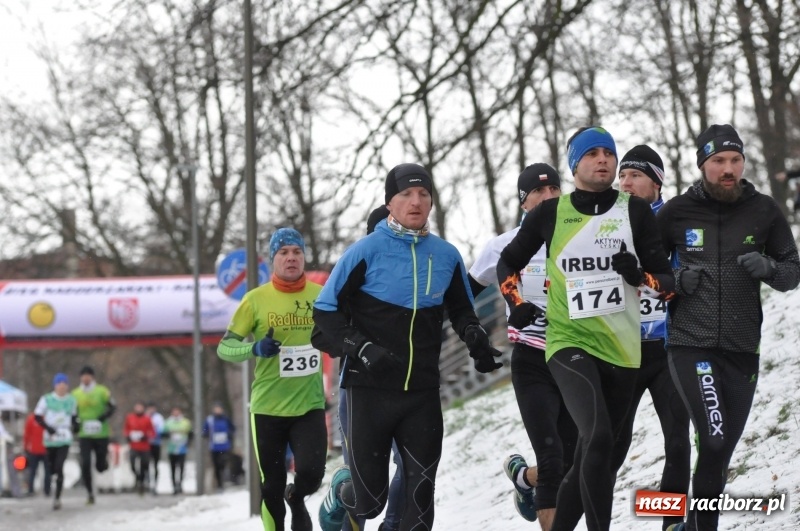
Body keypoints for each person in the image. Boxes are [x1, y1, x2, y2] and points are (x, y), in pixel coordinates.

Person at [496, 126, 675, 531]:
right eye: (592, 153)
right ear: (575, 163)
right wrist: (516, 303)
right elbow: (508, 263)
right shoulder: (549, 214)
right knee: (594, 436)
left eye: (608, 153)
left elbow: (666, 284)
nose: (603, 160)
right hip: (568, 343)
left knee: (601, 449)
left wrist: (639, 275)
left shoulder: (634, 211)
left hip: (621, 348)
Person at [314, 163, 503, 531]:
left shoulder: (446, 255)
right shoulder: (365, 251)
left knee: (419, 505)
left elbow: (463, 309)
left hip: (422, 394)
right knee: (369, 503)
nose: (416, 201)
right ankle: (341, 491)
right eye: (406, 194)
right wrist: (363, 348)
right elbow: (325, 312)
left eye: (424, 194)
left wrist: (475, 339)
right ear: (389, 202)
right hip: (368, 391)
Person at [656, 124, 800, 531]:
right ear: (703, 164)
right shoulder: (677, 212)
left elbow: (793, 273)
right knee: (713, 439)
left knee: (718, 456)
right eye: (718, 161)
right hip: (690, 344)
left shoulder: (765, 210)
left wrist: (770, 268)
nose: (728, 168)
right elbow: (647, 275)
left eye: (735, 160)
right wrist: (675, 281)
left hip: (742, 351)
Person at [468, 163, 577, 530]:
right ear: (524, 202)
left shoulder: (580, 235)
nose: (548, 198)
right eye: (539, 193)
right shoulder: (502, 245)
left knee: (572, 461)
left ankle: (522, 478)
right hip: (532, 360)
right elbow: (465, 292)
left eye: (554, 191)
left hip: (577, 357)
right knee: (552, 461)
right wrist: (471, 332)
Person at [217, 227, 327, 531]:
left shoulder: (322, 296)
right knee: (271, 485)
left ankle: (298, 497)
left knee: (312, 474)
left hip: (309, 405)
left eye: (296, 252)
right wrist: (255, 348)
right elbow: (225, 348)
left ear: (304, 257)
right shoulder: (255, 300)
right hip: (267, 408)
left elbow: (344, 330)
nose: (291, 258)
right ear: (273, 259)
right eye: (283, 252)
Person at [611, 145, 691, 531]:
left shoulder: (674, 221)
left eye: (636, 175)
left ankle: (671, 522)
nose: (625, 182)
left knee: (677, 440)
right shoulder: (604, 223)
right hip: (620, 350)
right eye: (622, 175)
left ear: (657, 183)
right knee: (608, 449)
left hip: (667, 347)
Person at [327, 203, 406, 531]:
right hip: (359, 390)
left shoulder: (414, 275)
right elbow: (328, 331)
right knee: (364, 480)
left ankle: (391, 526)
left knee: (409, 466)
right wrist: (360, 345)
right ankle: (341, 500)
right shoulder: (352, 272)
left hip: (406, 389)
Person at [72, 365, 116, 505]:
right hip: (85, 434)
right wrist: (75, 424)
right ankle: (90, 492)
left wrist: (103, 417)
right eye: (83, 376)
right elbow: (73, 412)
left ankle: (103, 463)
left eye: (88, 375)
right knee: (85, 463)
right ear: (80, 378)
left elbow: (113, 407)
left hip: (101, 433)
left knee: (100, 466)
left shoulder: (102, 391)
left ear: (92, 377)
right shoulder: (75, 394)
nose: (85, 378)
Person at [33, 373, 78, 510]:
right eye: (59, 384)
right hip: (50, 437)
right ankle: (52, 481)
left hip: (64, 436)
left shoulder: (71, 400)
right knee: (51, 467)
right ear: (55, 385)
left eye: (64, 384)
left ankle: (57, 498)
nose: (62, 386)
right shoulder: (47, 399)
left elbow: (74, 418)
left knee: (59, 466)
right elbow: (37, 416)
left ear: (67, 386)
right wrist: (48, 428)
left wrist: (76, 426)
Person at [123, 401, 156, 495]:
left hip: (144, 446)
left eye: (140, 408)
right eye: (137, 408)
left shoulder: (147, 419)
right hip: (133, 446)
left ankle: (141, 482)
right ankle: (137, 478)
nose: (138, 409)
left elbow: (152, 432)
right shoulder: (130, 417)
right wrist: (128, 436)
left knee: (144, 465)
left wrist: (145, 436)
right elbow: (126, 429)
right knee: (132, 464)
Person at [202, 402, 235, 492]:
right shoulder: (210, 419)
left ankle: (222, 482)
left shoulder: (226, 419)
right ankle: (219, 484)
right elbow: (204, 430)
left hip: (224, 447)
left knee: (222, 464)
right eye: (216, 408)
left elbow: (233, 429)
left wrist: (229, 435)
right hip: (214, 447)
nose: (218, 410)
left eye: (219, 408)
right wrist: (206, 434)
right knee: (216, 466)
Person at [163, 406, 192, 495]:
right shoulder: (168, 422)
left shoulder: (185, 422)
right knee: (173, 468)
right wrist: (168, 435)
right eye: (174, 411)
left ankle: (180, 484)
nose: (176, 413)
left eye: (177, 411)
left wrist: (188, 443)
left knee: (181, 468)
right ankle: (174, 486)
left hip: (182, 449)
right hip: (171, 449)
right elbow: (163, 434)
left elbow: (191, 434)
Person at [23, 411, 51, 497]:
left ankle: (45, 490)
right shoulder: (32, 418)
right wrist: (26, 446)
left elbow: (27, 434)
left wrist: (26, 446)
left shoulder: (48, 417)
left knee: (43, 471)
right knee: (34, 471)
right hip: (36, 449)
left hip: (45, 448)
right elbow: (27, 434)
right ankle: (34, 489)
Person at [145, 402, 165, 494]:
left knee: (155, 465)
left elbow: (161, 429)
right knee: (146, 464)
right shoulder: (144, 417)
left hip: (156, 444)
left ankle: (155, 484)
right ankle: (147, 482)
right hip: (146, 445)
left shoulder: (159, 418)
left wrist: (152, 434)